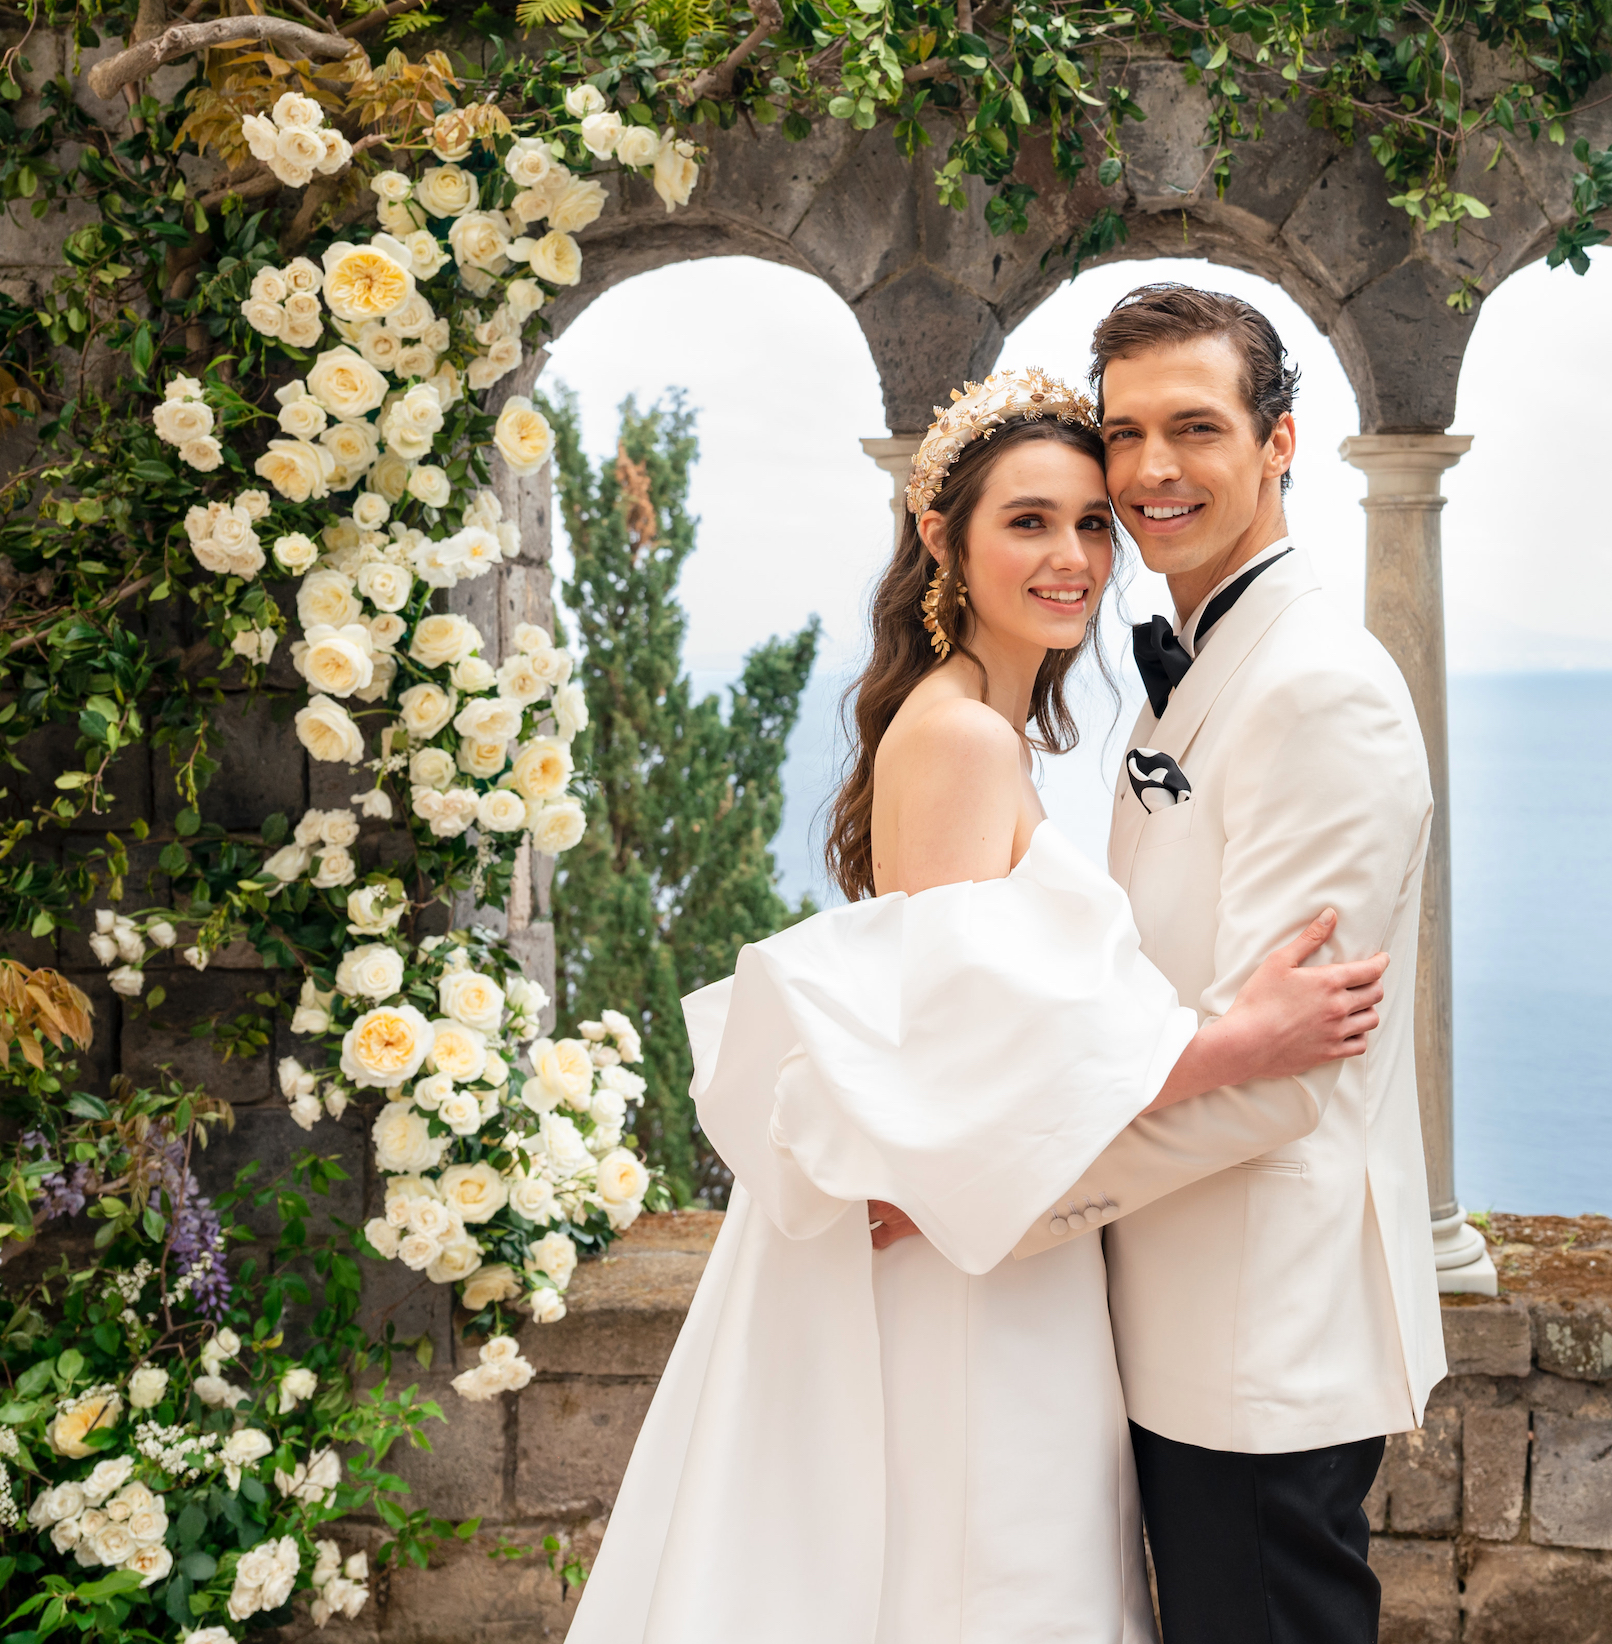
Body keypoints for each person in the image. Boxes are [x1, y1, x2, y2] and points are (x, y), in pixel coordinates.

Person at [562, 367, 1392, 1643]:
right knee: (986, 1576)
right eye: (1029, 521)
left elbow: (997, 1037)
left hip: (1016, 1241)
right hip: (975, 1261)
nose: (1072, 556)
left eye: (1091, 523)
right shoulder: (962, 739)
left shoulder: (985, 722)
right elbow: (963, 1068)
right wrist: (1236, 1043)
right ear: (942, 538)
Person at [993, 284, 1447, 1644]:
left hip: (1261, 1330)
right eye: (1125, 433)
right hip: (1183, 1315)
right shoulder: (1192, 665)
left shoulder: (1319, 687)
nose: (1151, 470)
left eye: (1194, 426)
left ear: (1283, 442)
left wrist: (1013, 1192)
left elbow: (1277, 1079)